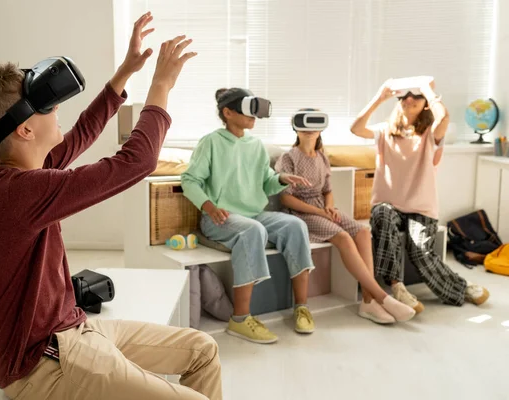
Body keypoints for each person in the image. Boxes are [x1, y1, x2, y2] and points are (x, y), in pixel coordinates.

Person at [0, 12, 223, 400]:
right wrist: (162, 84)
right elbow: (136, 162)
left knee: (203, 350)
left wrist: (125, 73)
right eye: (44, 106)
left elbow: (82, 132)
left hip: (72, 331)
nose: (56, 109)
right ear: (25, 130)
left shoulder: (16, 176)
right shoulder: (18, 195)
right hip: (43, 365)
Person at [181, 88, 315, 344]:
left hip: (254, 214)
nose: (253, 116)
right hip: (219, 218)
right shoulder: (211, 142)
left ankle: (301, 307)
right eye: (247, 110)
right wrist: (209, 206)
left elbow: (266, 182)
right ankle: (240, 319)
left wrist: (281, 179)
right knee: (253, 230)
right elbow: (190, 180)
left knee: (295, 226)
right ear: (228, 113)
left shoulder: (255, 146)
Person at [350, 79, 490, 312]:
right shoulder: (385, 131)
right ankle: (397, 287)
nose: (409, 99)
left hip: (420, 207)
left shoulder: (431, 134)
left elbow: (444, 118)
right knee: (382, 216)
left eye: (416, 96)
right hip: (388, 204)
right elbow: (355, 129)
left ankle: (461, 287)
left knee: (420, 251)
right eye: (404, 96)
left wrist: (426, 89)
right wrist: (379, 97)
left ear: (426, 103)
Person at [275, 109, 416, 324]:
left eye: (314, 126)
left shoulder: (322, 156)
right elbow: (286, 199)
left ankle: (368, 302)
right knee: (343, 237)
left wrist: (329, 207)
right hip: (301, 213)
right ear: (295, 128)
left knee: (362, 231)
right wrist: (320, 211)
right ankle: (381, 297)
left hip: (323, 209)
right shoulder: (289, 158)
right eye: (303, 126)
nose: (309, 131)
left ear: (321, 128)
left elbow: (328, 190)